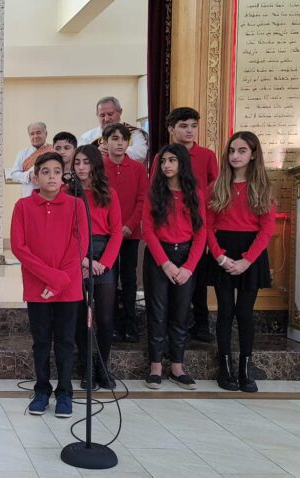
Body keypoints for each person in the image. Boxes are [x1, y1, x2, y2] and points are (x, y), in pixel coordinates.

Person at [11, 153, 86, 418]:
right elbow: (19, 247)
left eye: (56, 171)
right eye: (45, 172)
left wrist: (60, 281)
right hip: (37, 286)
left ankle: (65, 392)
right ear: (35, 177)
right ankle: (42, 390)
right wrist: (52, 279)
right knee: (41, 341)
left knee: (65, 341)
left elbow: (79, 245)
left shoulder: (77, 205)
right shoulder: (23, 207)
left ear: (63, 176)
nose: (52, 176)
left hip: (68, 286)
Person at [207, 131, 274, 393]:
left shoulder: (263, 188)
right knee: (225, 311)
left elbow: (266, 229)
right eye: (232, 151)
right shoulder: (216, 187)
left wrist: (247, 260)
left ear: (253, 154)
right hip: (223, 250)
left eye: (242, 150)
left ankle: (245, 369)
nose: (235, 156)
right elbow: (208, 226)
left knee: (245, 312)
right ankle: (224, 367)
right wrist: (220, 256)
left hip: (251, 253)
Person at [141, 144, 206, 390]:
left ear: (182, 163)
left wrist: (189, 267)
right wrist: (165, 263)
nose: (166, 165)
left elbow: (201, 232)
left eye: (172, 160)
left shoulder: (195, 193)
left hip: (186, 258)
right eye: (163, 161)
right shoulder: (154, 193)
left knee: (181, 313)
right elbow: (147, 230)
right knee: (157, 312)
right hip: (159, 257)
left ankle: (177, 367)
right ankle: (156, 366)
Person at [159, 107, 220, 343]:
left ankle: (201, 324)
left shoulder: (207, 156)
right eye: (184, 126)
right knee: (171, 283)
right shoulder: (163, 157)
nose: (189, 131)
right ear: (171, 129)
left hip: (199, 225)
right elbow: (156, 189)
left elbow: (215, 189)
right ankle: (171, 329)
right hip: (171, 227)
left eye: (194, 126)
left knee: (198, 277)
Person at [69, 145, 123, 391]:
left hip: (104, 257)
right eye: (77, 162)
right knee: (81, 316)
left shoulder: (109, 193)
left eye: (86, 162)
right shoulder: (68, 193)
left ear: (95, 165)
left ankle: (102, 365)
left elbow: (116, 232)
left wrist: (104, 264)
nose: (81, 167)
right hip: (77, 255)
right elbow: (65, 232)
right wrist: (83, 261)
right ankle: (87, 367)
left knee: (105, 316)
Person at [103, 124, 149, 344]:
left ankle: (130, 325)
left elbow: (142, 199)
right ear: (105, 142)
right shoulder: (99, 168)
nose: (119, 143)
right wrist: (112, 228)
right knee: (109, 279)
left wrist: (129, 225)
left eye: (123, 139)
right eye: (114, 139)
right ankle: (111, 325)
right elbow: (99, 200)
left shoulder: (138, 169)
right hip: (107, 233)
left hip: (131, 232)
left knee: (129, 279)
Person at [78, 96, 149, 161]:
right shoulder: (87, 137)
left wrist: (113, 150)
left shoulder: (134, 133)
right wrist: (96, 153)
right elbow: (79, 158)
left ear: (120, 112)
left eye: (110, 114)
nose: (106, 119)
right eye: (102, 115)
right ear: (97, 115)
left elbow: (141, 154)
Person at [9, 122, 53, 198]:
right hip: (28, 195)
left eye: (38, 133)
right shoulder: (23, 153)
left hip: (49, 195)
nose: (35, 136)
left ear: (46, 134)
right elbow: (14, 174)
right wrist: (29, 175)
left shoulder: (53, 150)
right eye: (32, 134)